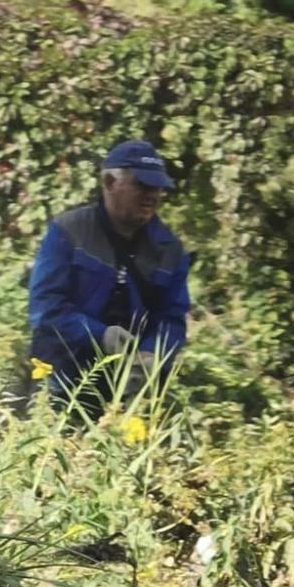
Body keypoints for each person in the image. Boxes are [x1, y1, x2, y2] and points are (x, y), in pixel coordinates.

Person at [27, 141, 192, 415]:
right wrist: (100, 335)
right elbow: (45, 309)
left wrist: (152, 354)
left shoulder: (170, 249)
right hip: (62, 375)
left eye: (158, 187)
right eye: (142, 185)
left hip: (133, 384)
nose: (152, 195)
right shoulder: (68, 231)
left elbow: (172, 318)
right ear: (109, 181)